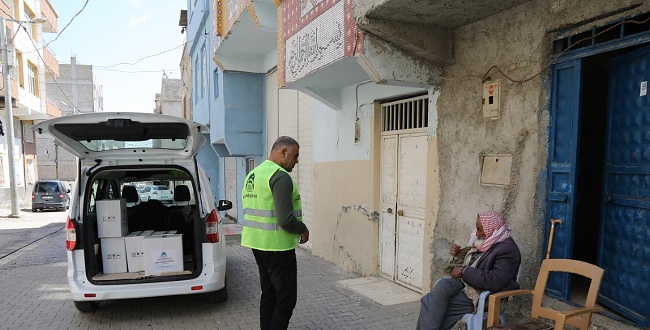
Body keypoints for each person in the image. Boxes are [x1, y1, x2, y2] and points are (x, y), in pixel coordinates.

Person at [241, 136, 310, 330]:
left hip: (258, 244)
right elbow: (286, 219)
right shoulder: (280, 177)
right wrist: (303, 229)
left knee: (269, 295)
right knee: (286, 300)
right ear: (284, 152)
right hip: (277, 247)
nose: (296, 161)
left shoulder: (254, 174)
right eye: (295, 156)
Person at [416, 211, 521, 330]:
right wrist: (458, 255)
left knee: (429, 303)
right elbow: (469, 264)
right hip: (466, 285)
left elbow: (495, 280)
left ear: (490, 228)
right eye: (476, 228)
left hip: (481, 294)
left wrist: (464, 272)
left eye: (480, 229)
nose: (476, 233)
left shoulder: (507, 250)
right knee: (442, 286)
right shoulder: (487, 241)